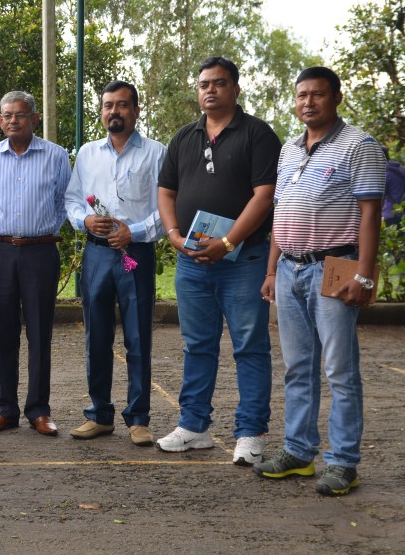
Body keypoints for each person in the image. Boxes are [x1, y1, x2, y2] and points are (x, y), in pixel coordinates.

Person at [254, 66, 385, 496]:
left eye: (318, 94)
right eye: (302, 95)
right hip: (289, 269)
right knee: (297, 368)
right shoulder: (289, 150)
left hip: (334, 268)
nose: (308, 102)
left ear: (337, 98)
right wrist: (271, 269)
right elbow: (281, 212)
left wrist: (364, 274)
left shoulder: (360, 146)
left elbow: (370, 214)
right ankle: (298, 452)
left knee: (339, 369)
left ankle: (343, 462)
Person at [156, 56, 282, 465]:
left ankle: (250, 432)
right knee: (197, 346)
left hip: (243, 261)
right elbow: (166, 191)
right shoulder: (184, 137)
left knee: (250, 347)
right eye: (204, 84)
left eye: (219, 83)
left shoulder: (258, 134)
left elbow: (265, 196)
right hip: (192, 261)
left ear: (236, 89)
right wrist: (174, 235)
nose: (210, 90)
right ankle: (194, 427)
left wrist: (227, 242)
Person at [65, 81, 167, 447]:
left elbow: (167, 207)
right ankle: (99, 414)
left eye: (122, 105)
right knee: (96, 336)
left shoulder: (156, 153)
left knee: (138, 337)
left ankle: (138, 418)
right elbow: (73, 199)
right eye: (108, 105)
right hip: (96, 254)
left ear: (136, 111)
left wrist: (134, 232)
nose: (114, 111)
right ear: (102, 111)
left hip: (135, 254)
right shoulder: (88, 153)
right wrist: (84, 220)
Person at [0, 91, 70, 437]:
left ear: (34, 118)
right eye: (7, 115)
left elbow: (64, 201)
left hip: (41, 252)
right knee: (3, 331)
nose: (13, 121)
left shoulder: (56, 155)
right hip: (2, 250)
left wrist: (41, 230)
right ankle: (5, 408)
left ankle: (38, 409)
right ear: (0, 120)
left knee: (39, 331)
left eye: (20, 115)